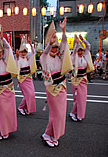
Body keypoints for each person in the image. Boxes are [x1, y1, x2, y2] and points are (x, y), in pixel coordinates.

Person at [40, 17, 73, 148]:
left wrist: (63, 31)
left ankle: (49, 134)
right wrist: (49, 44)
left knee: (60, 113)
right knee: (56, 114)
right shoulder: (45, 58)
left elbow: (65, 46)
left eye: (56, 47)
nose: (54, 49)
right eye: (52, 47)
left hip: (63, 87)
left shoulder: (60, 57)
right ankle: (52, 135)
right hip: (52, 89)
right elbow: (43, 54)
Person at [69, 34, 94, 122]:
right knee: (77, 98)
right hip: (76, 80)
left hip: (83, 79)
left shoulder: (85, 56)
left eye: (82, 50)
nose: (80, 52)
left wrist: (82, 39)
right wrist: (76, 43)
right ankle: (76, 113)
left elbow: (88, 46)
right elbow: (75, 50)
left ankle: (76, 113)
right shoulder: (73, 57)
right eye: (79, 51)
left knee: (82, 98)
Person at [16, 36, 37, 116]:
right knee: (28, 94)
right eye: (22, 52)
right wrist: (17, 57)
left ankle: (25, 107)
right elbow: (15, 67)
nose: (23, 53)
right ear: (19, 52)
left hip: (29, 79)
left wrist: (30, 44)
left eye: (25, 52)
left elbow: (34, 53)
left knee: (32, 94)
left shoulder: (27, 58)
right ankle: (21, 107)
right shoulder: (18, 60)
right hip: (22, 80)